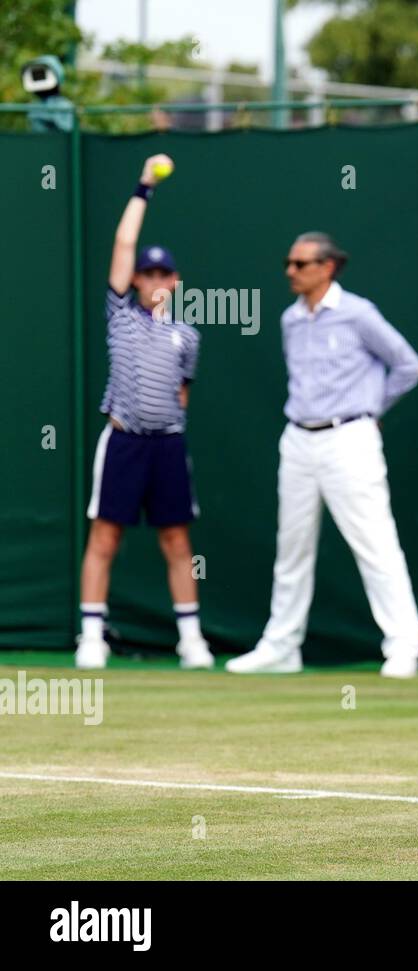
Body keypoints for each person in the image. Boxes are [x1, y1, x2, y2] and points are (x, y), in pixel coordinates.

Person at [226, 233, 418, 678]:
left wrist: (373, 408)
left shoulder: (358, 314)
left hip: (349, 440)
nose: (290, 272)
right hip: (297, 440)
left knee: (375, 544)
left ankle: (402, 647)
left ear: (328, 266)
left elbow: (408, 365)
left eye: (300, 264)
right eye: (288, 263)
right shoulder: (290, 320)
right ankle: (281, 646)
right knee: (291, 547)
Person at [77, 154, 212, 671]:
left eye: (163, 272)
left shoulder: (187, 335)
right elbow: (123, 244)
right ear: (135, 280)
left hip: (168, 446)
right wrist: (144, 187)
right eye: (146, 272)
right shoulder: (121, 317)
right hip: (124, 440)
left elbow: (183, 394)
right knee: (105, 535)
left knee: (178, 540)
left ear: (174, 281)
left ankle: (191, 640)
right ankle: (92, 637)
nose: (154, 278)